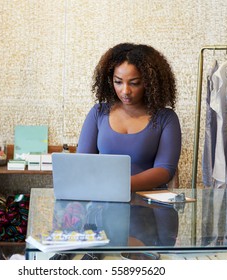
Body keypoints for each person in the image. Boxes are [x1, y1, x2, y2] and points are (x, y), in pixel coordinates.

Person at [77, 43, 182, 192]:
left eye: (134, 83)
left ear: (150, 83)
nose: (125, 91)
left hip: (149, 205)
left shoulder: (166, 118)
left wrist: (119, 185)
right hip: (103, 201)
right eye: (118, 82)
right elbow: (82, 163)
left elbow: (164, 170)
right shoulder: (99, 112)